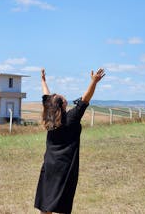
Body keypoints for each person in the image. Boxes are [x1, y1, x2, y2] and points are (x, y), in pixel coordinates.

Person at [34, 68, 105, 214]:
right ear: (63, 105)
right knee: (63, 202)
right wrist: (94, 82)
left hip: (49, 164)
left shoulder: (49, 117)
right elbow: (85, 99)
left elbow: (46, 96)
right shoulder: (71, 118)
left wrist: (43, 81)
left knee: (46, 201)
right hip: (66, 167)